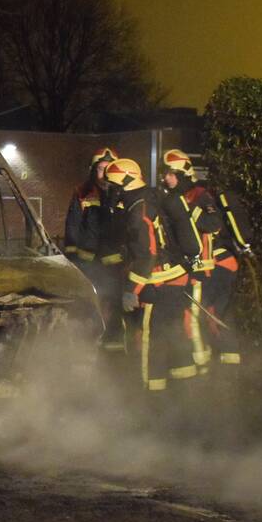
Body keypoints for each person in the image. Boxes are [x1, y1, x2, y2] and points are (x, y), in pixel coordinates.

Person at [105, 156, 197, 392]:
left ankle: (150, 393)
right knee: (174, 335)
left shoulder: (138, 210)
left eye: (113, 186)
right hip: (176, 277)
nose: (111, 192)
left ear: (125, 183)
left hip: (157, 282)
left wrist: (130, 290)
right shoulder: (153, 196)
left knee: (150, 339)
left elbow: (147, 255)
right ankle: (186, 392)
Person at [161, 149, 254, 369]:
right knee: (213, 316)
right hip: (209, 266)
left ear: (183, 173)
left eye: (171, 174)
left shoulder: (199, 196)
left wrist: (187, 211)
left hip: (215, 266)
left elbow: (213, 225)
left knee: (195, 316)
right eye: (165, 174)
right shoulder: (177, 197)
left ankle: (201, 370)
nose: (166, 178)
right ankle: (225, 367)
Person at [64, 148, 125, 350]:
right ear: (92, 170)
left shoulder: (121, 194)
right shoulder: (82, 193)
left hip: (114, 264)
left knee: (115, 304)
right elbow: (73, 226)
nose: (104, 174)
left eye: (109, 169)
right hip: (88, 263)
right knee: (90, 303)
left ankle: (113, 346)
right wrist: (72, 259)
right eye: (100, 169)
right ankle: (88, 343)